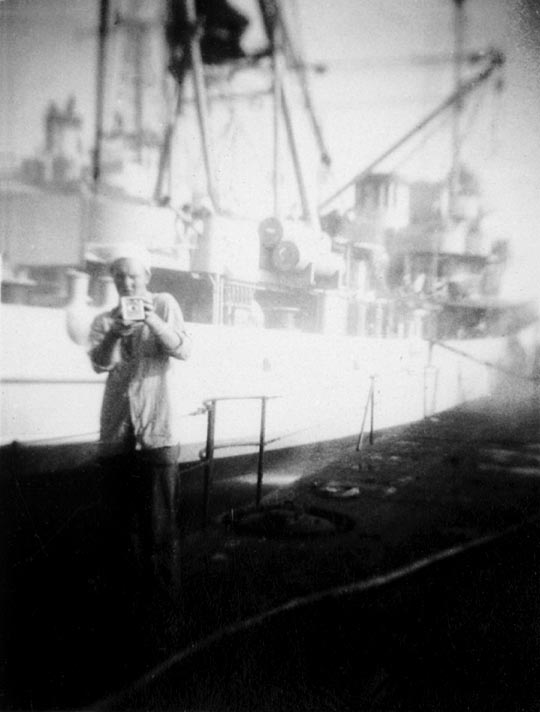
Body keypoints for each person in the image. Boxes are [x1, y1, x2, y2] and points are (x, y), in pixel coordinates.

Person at [88, 245, 191, 581]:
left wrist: (151, 319)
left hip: (156, 433)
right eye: (119, 276)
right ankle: (125, 600)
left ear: (147, 275)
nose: (127, 283)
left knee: (159, 530)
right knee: (118, 530)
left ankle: (163, 602)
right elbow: (100, 363)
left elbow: (183, 349)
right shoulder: (105, 320)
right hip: (117, 435)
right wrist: (115, 333)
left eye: (133, 275)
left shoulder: (164, 304)